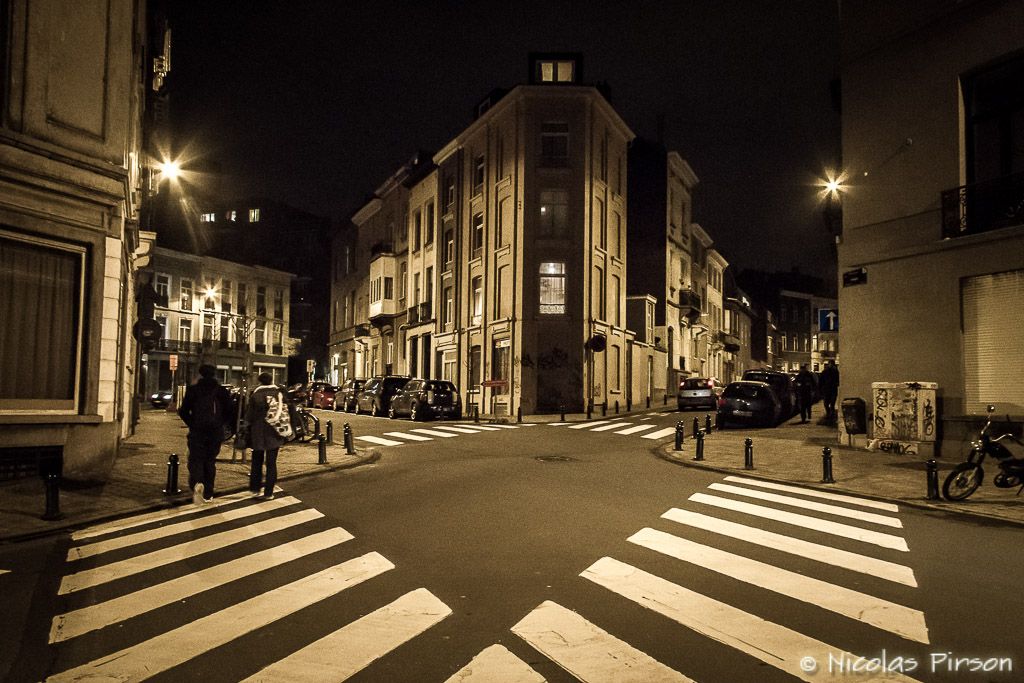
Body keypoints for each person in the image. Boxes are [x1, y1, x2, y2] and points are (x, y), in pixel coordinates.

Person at [178, 364, 235, 505]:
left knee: (196, 459)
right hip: (215, 432)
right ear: (214, 374)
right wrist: (221, 424)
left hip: (197, 431)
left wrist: (193, 423)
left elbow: (183, 410)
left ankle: (198, 482)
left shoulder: (193, 390)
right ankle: (209, 493)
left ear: (201, 374)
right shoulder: (221, 391)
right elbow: (230, 411)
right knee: (210, 460)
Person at [245, 372, 290, 500]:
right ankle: (269, 492)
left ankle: (255, 489)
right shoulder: (279, 394)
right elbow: (287, 409)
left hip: (258, 432)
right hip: (275, 431)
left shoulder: (255, 395)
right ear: (271, 381)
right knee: (271, 463)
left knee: (256, 461)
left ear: (260, 382)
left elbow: (249, 416)